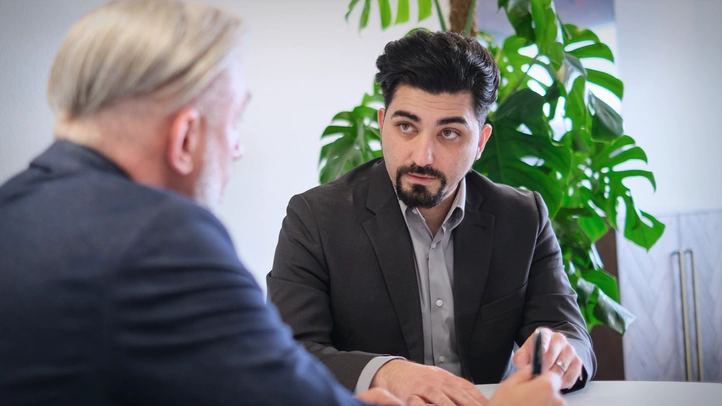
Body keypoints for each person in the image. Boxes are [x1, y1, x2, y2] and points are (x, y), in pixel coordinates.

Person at [0, 1, 566, 406]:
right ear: (186, 139)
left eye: (449, 132)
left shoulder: (14, 211)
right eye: (234, 122)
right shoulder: (164, 241)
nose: (239, 147)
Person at [267, 30, 596, 406]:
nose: (423, 155)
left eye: (450, 133)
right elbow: (288, 351)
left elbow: (569, 332)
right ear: (382, 123)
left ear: (481, 142)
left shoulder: (522, 217)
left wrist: (562, 352)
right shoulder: (315, 218)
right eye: (406, 126)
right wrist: (387, 373)